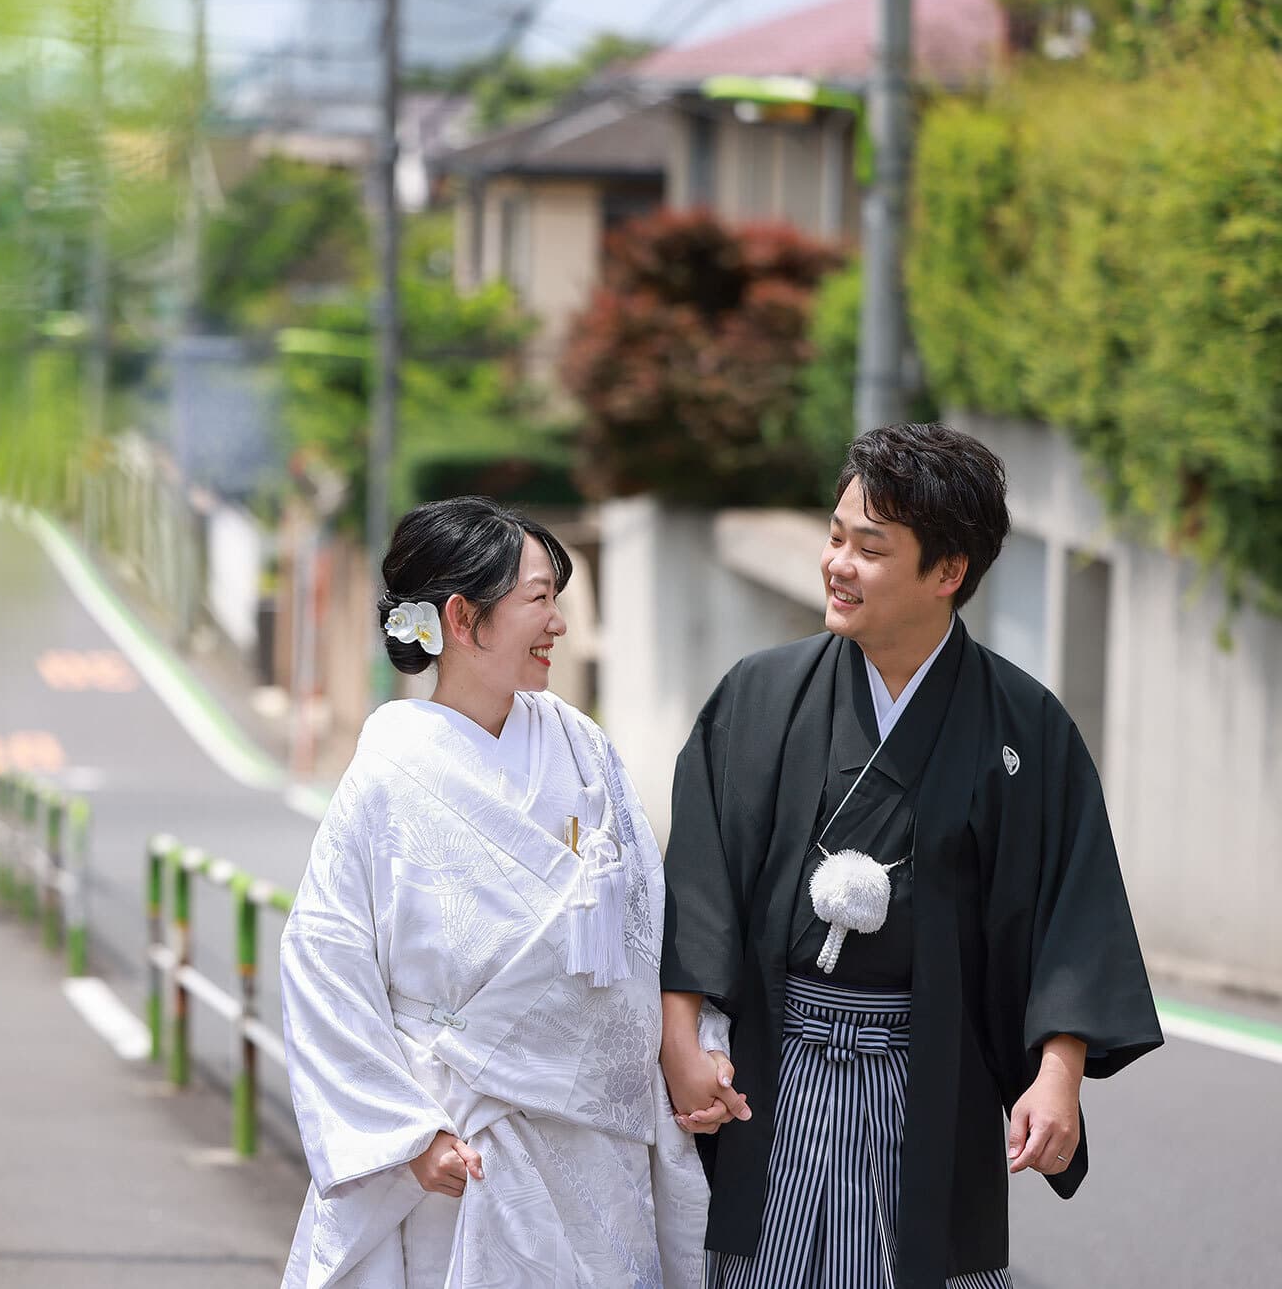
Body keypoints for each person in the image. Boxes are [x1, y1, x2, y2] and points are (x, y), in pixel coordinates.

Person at [658, 424, 1163, 1288]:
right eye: (835, 536)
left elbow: (1072, 914)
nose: (836, 563)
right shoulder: (762, 694)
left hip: (927, 1075)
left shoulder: (1024, 727)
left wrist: (1059, 1073)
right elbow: (698, 884)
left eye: (869, 548)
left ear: (947, 573)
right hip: (771, 1071)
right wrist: (679, 1041)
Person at [280, 495, 712, 1289]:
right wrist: (407, 1136)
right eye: (540, 598)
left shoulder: (583, 749)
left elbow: (651, 915)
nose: (559, 624)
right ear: (463, 617)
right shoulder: (386, 777)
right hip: (459, 1141)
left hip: (594, 1142)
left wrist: (692, 1048)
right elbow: (324, 964)